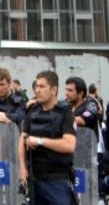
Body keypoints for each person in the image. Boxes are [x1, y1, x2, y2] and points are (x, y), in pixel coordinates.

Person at [18, 70, 77, 203]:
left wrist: (40, 141)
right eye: (36, 86)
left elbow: (69, 145)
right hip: (35, 180)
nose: (37, 90)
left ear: (54, 89)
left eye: (42, 87)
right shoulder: (33, 112)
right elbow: (22, 139)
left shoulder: (65, 114)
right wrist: (22, 169)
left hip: (57, 181)